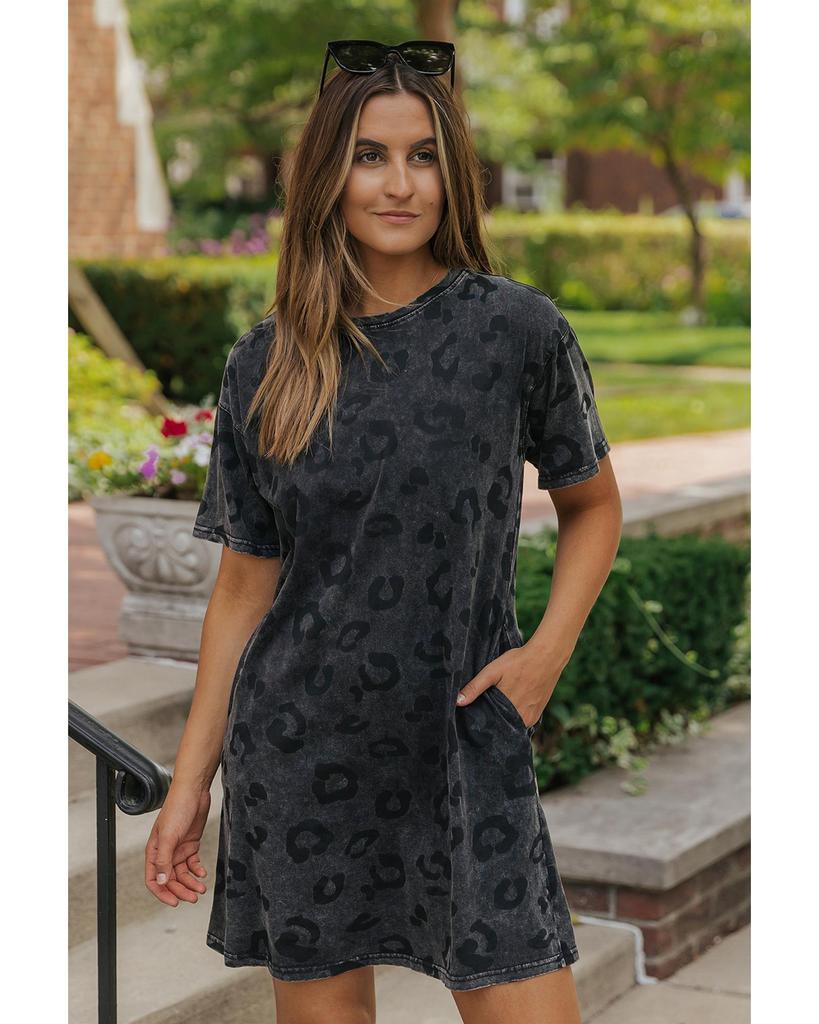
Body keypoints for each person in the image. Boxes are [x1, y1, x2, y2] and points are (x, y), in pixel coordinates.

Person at [144, 39, 623, 1024]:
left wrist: (543, 657)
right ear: (328, 173)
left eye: (423, 156)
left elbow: (593, 504)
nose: (398, 184)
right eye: (369, 155)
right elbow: (244, 588)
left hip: (462, 738)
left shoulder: (516, 330)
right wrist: (191, 782)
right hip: (300, 748)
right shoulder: (266, 361)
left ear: (455, 174)